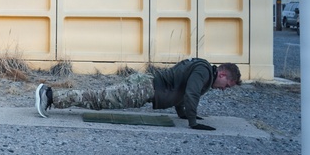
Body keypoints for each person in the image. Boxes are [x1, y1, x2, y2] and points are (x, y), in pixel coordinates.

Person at [34, 58, 241, 131]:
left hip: (146, 84)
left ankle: (51, 95)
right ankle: (49, 95)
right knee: (97, 99)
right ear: (222, 74)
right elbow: (191, 93)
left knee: (99, 98)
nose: (224, 89)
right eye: (227, 85)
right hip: (145, 88)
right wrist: (193, 123)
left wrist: (183, 115)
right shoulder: (204, 71)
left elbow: (181, 92)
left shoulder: (202, 68)